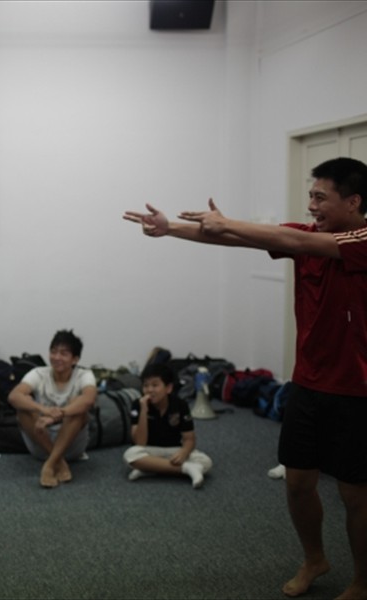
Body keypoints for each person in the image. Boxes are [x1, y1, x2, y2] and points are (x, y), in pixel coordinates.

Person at [123, 157, 367, 599]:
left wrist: (228, 221)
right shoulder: (307, 235)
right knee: (298, 484)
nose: (311, 205)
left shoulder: (360, 239)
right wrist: (169, 227)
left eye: (320, 197)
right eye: (310, 196)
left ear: (353, 202)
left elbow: (288, 238)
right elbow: (236, 238)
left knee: (355, 494)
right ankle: (315, 559)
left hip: (356, 391)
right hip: (307, 384)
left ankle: (363, 580)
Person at [8, 330, 97, 488]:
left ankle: (49, 465)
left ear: (75, 359)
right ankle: (59, 462)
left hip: (71, 446)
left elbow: (89, 400)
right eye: (53, 352)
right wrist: (43, 409)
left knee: (78, 406)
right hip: (41, 443)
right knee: (24, 406)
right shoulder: (38, 373)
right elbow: (14, 396)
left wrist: (58, 414)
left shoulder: (84, 375)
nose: (57, 357)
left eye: (64, 354)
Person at [123, 362, 212, 489]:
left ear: (168, 388)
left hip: (173, 450)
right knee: (130, 455)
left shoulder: (180, 405)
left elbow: (189, 439)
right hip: (149, 450)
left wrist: (184, 452)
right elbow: (140, 442)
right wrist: (143, 411)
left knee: (206, 461)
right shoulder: (138, 405)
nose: (149, 390)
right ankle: (186, 468)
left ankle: (150, 468)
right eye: (146, 385)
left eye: (155, 385)